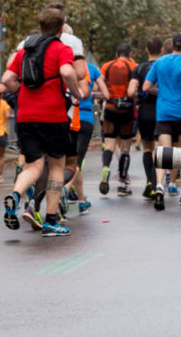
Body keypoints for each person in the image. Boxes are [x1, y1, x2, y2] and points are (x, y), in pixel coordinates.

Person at [0, 5, 87, 237]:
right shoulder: (61, 48)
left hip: (26, 116)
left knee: (33, 166)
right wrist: (76, 93)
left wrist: (21, 91)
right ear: (61, 28)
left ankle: (16, 194)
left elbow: (7, 78)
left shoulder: (25, 50)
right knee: (57, 166)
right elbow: (68, 74)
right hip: (53, 115)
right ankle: (50, 220)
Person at [142, 32, 181, 210]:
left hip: (164, 112)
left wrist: (163, 94)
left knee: (162, 153)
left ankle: (159, 185)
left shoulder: (160, 62)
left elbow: (146, 87)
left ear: (173, 45)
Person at [67, 58, 108, 214]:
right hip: (85, 118)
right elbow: (106, 94)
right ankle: (73, 195)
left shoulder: (62, 66)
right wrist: (91, 94)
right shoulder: (91, 68)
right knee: (77, 162)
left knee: (64, 161)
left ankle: (77, 197)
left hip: (66, 116)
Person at [99, 43, 138, 195]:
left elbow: (99, 80)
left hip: (110, 107)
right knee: (125, 147)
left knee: (109, 144)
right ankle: (122, 183)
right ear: (130, 54)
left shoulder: (107, 66)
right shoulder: (133, 66)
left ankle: (106, 168)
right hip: (127, 110)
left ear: (116, 54)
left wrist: (106, 93)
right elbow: (135, 87)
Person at [128, 37, 163, 200]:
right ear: (162, 50)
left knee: (147, 148)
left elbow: (130, 91)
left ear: (147, 50)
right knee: (158, 149)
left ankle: (149, 181)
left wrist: (140, 94)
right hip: (161, 111)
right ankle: (157, 182)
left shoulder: (139, 68)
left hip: (144, 112)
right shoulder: (163, 65)